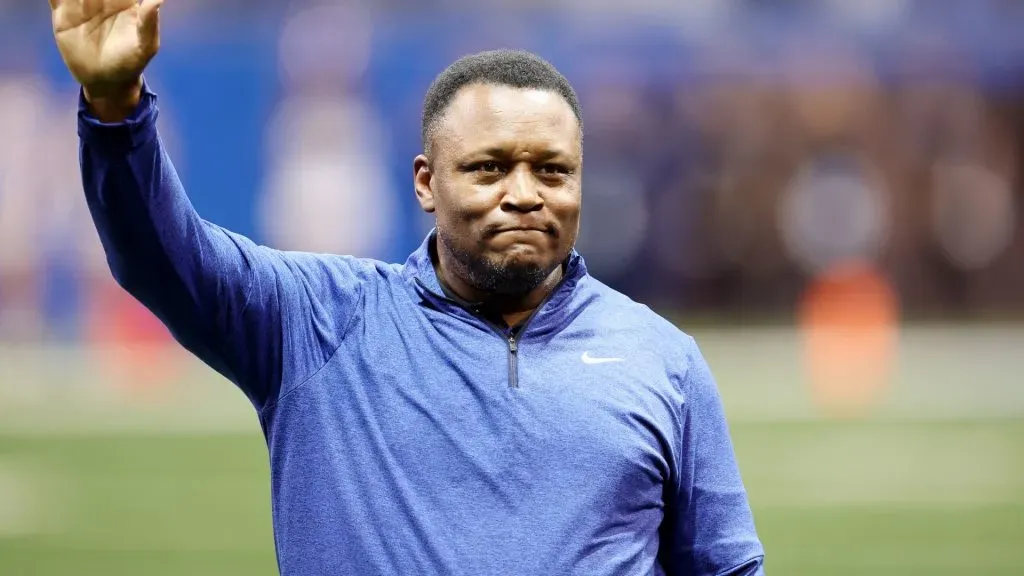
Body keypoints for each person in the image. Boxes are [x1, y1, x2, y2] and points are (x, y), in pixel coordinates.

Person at [49, 0, 766, 574]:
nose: (524, 194)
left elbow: (725, 566)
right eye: (489, 168)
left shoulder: (662, 360)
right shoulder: (316, 323)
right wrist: (115, 110)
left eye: (552, 170)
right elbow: (161, 258)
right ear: (427, 182)